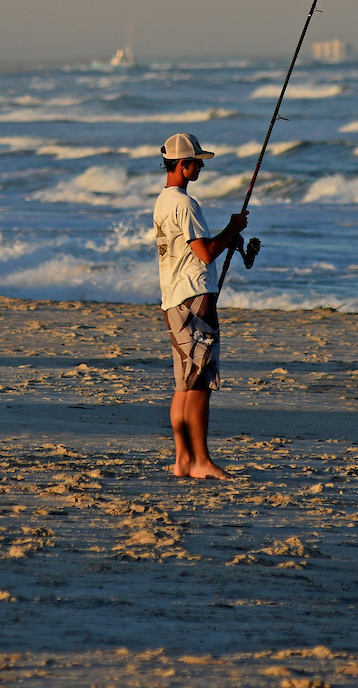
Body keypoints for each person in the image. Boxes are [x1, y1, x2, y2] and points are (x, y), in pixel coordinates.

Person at [152, 132, 247, 480]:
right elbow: (205, 253)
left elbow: (193, 249)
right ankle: (201, 461)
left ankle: (182, 460)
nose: (201, 168)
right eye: (197, 162)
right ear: (183, 164)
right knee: (200, 383)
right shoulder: (185, 204)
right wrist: (232, 228)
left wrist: (226, 237)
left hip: (173, 298)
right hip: (194, 298)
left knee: (184, 384)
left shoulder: (162, 201)